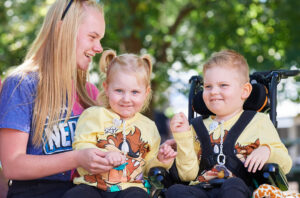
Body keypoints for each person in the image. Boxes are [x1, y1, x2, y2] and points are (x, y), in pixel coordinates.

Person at [0, 0, 114, 197]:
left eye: (100, 39)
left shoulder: (91, 93)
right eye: (92, 37)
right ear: (63, 30)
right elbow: (12, 165)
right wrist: (78, 158)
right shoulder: (21, 85)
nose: (99, 48)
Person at [165, 49, 292, 198]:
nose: (213, 92)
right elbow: (187, 175)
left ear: (244, 91)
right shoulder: (194, 127)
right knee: (175, 191)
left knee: (233, 185)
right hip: (202, 189)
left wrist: (268, 150)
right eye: (208, 86)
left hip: (240, 188)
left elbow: (286, 163)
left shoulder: (258, 122)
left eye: (223, 85)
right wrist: (183, 138)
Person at [62, 50, 177, 198]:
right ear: (106, 88)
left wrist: (162, 160)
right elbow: (82, 145)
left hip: (130, 187)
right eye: (119, 91)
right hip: (92, 185)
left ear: (146, 93)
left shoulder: (149, 127)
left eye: (135, 92)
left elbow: (148, 166)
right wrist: (105, 155)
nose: (126, 99)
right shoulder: (94, 115)